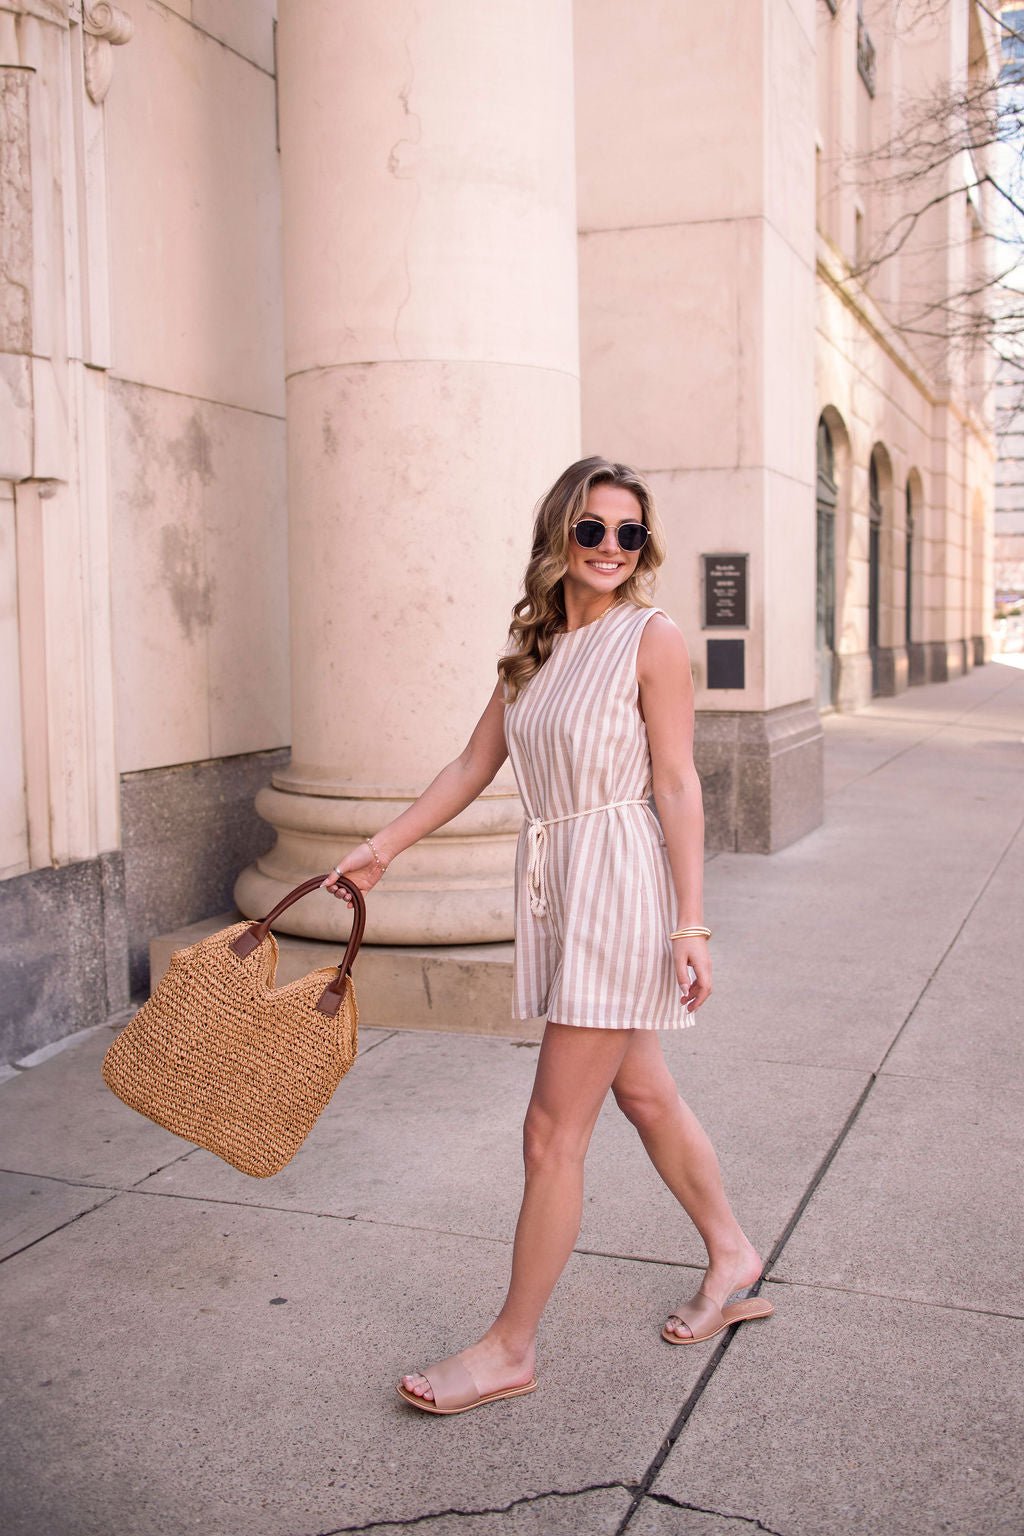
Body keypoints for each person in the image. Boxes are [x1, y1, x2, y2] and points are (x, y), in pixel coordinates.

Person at [323, 456, 772, 1416]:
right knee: (644, 1093)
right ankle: (732, 1250)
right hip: (564, 885)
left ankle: (509, 1347)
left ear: (644, 548)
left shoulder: (651, 639)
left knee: (549, 1132)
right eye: (593, 529)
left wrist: (691, 920)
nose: (611, 548)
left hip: (619, 883)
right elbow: (472, 762)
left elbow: (678, 782)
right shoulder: (535, 649)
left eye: (630, 533)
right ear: (560, 536)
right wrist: (381, 849)